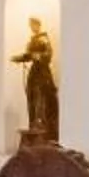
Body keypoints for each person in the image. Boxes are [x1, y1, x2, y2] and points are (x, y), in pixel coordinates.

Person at [11, 18, 59, 146]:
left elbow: (48, 54)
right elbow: (28, 55)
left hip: (42, 73)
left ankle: (42, 127)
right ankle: (34, 125)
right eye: (30, 25)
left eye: (34, 25)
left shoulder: (44, 39)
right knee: (32, 98)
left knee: (40, 100)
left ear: (38, 25)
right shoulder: (32, 40)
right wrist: (19, 58)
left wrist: (39, 56)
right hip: (34, 73)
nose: (32, 27)